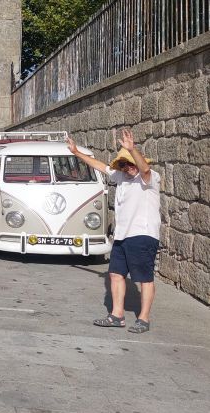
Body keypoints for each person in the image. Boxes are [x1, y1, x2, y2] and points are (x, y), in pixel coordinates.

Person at [67, 129, 160, 334]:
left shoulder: (150, 177)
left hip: (142, 235)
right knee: (115, 274)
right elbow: (100, 166)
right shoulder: (121, 177)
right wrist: (76, 153)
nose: (129, 167)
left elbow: (144, 170)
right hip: (121, 235)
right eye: (125, 164)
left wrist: (131, 149)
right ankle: (117, 315)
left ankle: (144, 318)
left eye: (131, 163)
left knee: (144, 278)